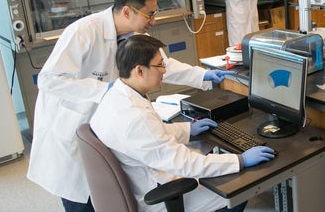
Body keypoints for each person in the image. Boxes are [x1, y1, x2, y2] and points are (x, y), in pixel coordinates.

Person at [27, 0, 234, 212]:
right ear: (127, 11)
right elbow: (48, 80)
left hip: (106, 128)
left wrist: (204, 75)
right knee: (83, 200)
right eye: (149, 14)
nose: (153, 21)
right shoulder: (84, 31)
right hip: (70, 132)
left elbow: (161, 64)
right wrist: (102, 89)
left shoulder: (132, 35)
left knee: (109, 193)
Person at [90, 34, 275, 212]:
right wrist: (240, 160)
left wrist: (188, 129)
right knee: (238, 189)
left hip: (143, 174)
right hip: (157, 193)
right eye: (160, 65)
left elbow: (153, 134)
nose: (164, 70)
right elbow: (184, 163)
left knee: (204, 152)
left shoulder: (117, 95)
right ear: (139, 70)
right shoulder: (135, 117)